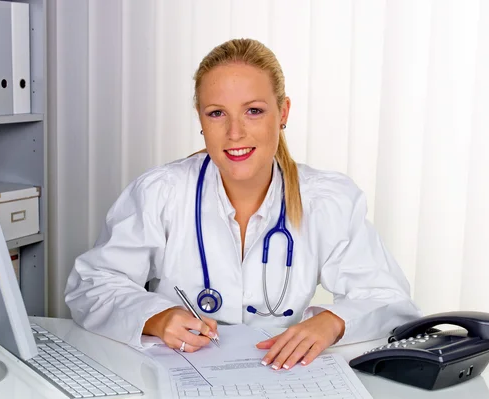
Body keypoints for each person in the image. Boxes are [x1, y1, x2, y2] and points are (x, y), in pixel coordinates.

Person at [65, 38, 421, 371]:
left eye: (253, 110)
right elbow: (93, 283)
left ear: (283, 112)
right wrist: (157, 318)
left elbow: (389, 297)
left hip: (279, 378)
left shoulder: (327, 199)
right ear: (200, 119)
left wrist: (333, 322)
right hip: (181, 375)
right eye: (217, 113)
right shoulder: (162, 191)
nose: (235, 133)